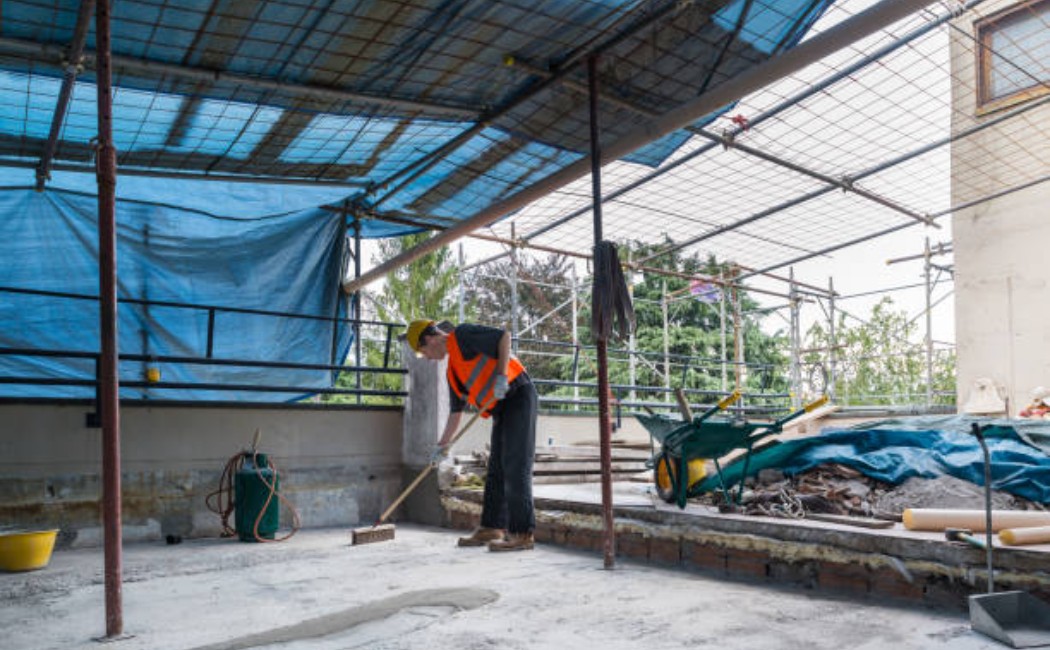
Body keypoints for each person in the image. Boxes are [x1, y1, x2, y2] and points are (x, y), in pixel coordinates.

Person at [405, 319, 538, 552]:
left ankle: (522, 533)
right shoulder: (452, 373)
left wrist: (501, 375)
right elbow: (455, 413)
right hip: (502, 406)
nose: (426, 358)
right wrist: (441, 447)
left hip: (518, 394)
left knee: (516, 465)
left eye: (423, 352)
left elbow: (503, 336)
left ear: (429, 339)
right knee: (496, 469)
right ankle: (492, 527)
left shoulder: (463, 335)